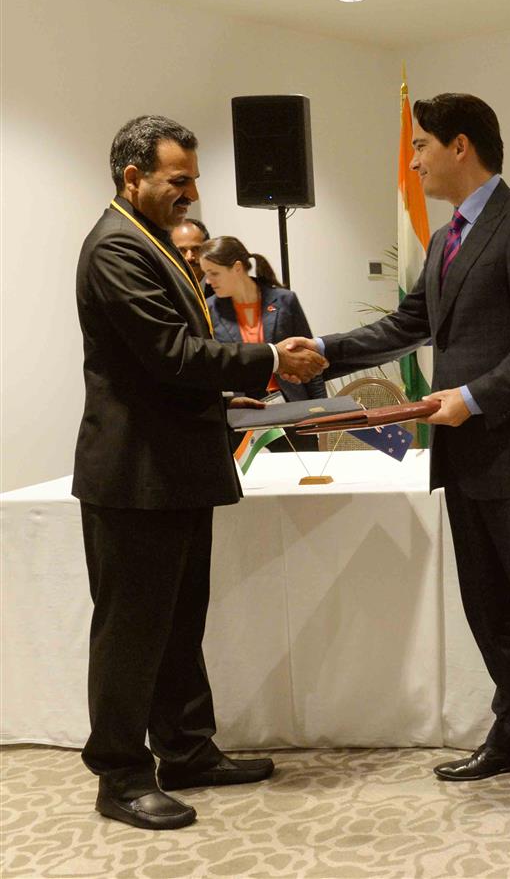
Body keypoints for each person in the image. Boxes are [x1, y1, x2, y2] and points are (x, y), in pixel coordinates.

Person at [282, 93, 510, 818]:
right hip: (465, 458)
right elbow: (411, 323)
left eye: (422, 144)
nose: (414, 158)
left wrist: (475, 396)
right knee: (490, 610)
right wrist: (325, 349)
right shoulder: (452, 235)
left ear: (461, 146)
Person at [73, 115, 327, 830]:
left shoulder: (149, 240)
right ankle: (120, 776)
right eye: (177, 179)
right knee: (131, 633)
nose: (191, 192)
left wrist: (227, 391)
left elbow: (173, 366)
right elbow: (171, 355)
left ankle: (186, 751)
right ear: (133, 177)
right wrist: (274, 360)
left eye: (193, 178)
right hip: (135, 478)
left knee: (177, 624)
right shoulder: (116, 247)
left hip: (173, 469)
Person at [202, 235, 326, 450]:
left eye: (214, 273)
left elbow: (310, 358)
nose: (209, 281)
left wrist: (321, 409)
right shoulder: (209, 309)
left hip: (292, 408)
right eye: (206, 274)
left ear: (237, 268)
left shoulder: (285, 300)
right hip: (244, 414)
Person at [171, 217, 210, 298]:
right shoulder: (163, 291)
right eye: (181, 250)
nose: (189, 257)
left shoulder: (224, 289)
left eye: (196, 249)